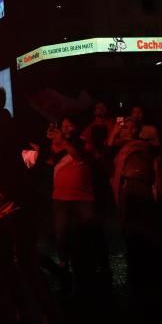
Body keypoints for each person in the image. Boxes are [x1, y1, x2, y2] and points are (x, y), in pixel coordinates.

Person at [0, 87, 57, 324]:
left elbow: (38, 150)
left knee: (26, 264)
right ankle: (22, 315)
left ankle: (48, 320)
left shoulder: (9, 127)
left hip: (16, 207)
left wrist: (26, 183)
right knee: (4, 265)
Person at [47, 116, 109, 297]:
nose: (65, 128)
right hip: (60, 195)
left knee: (91, 230)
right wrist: (46, 145)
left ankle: (99, 264)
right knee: (62, 231)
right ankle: (63, 264)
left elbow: (77, 154)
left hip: (82, 196)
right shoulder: (57, 145)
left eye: (69, 125)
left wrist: (62, 140)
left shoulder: (83, 142)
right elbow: (50, 162)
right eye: (63, 125)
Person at [111, 118, 162, 291]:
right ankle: (136, 271)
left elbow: (160, 161)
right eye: (125, 127)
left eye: (131, 126)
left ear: (138, 129)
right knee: (129, 229)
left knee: (145, 228)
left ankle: (151, 274)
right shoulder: (117, 146)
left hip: (142, 187)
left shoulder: (147, 145)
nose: (127, 130)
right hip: (126, 188)